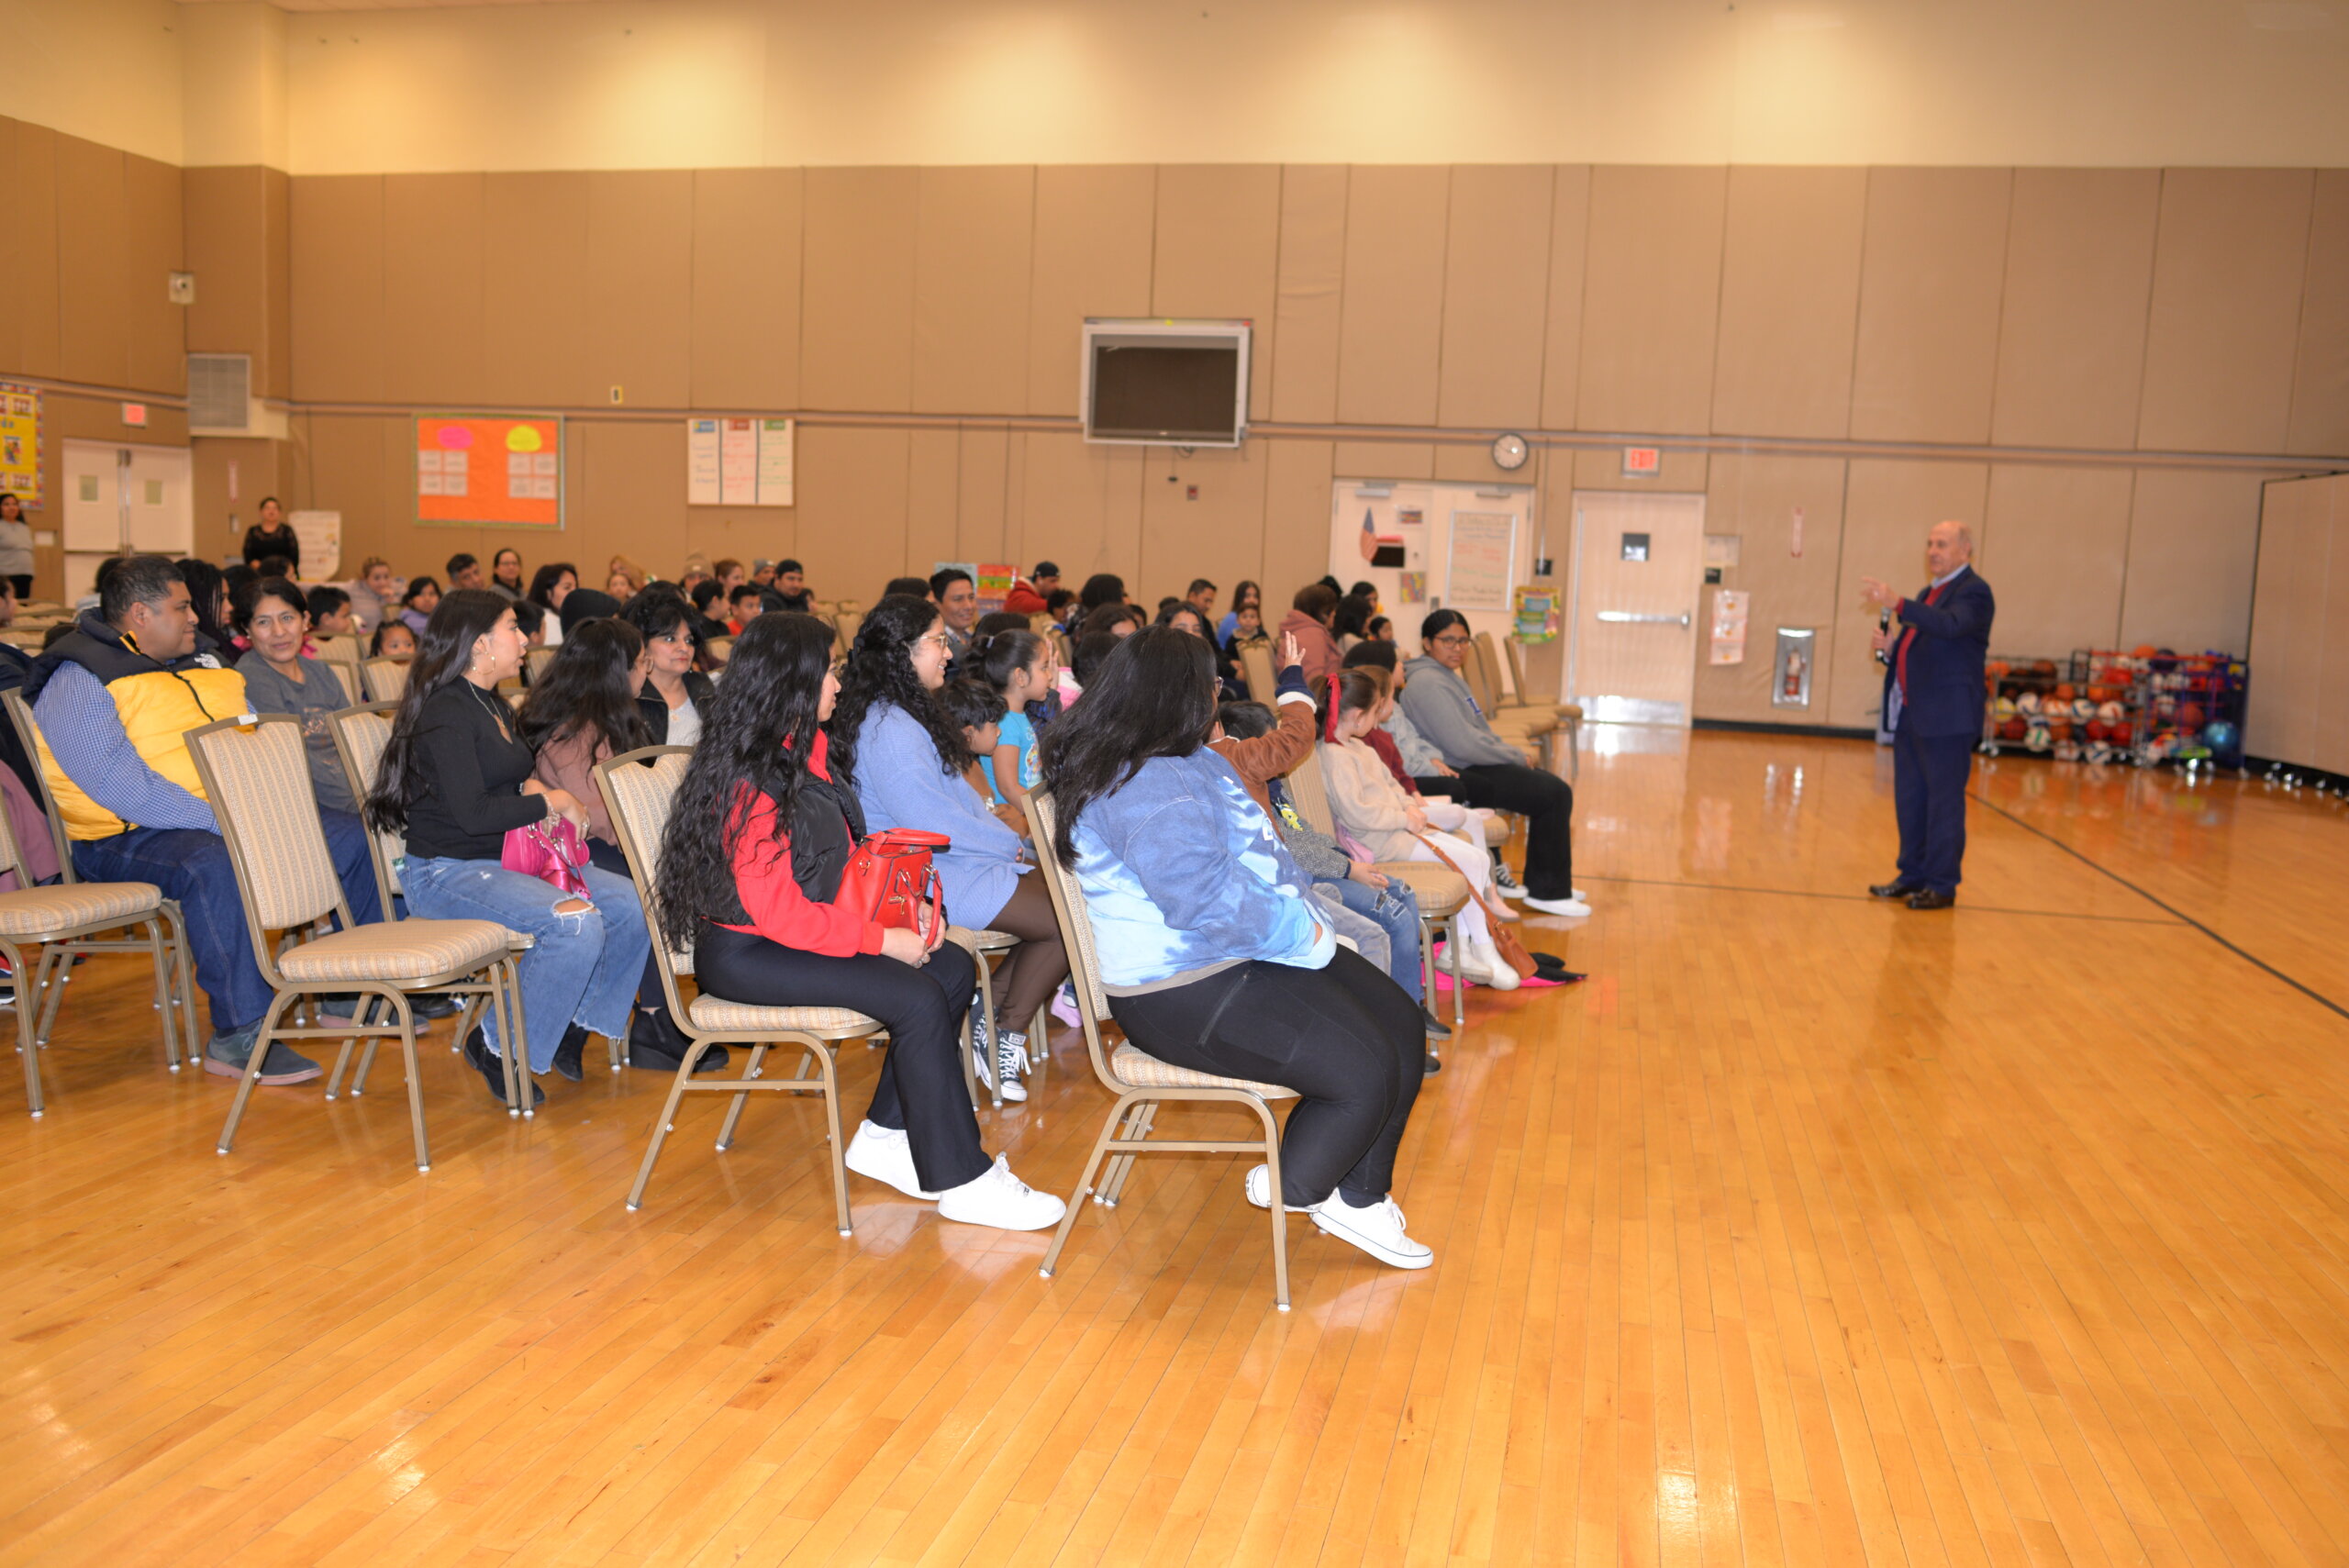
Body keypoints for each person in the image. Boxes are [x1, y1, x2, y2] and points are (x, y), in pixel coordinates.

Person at [651, 612, 1063, 1229]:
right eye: (828, 672)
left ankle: (885, 1133)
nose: (839, 686)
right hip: (747, 953)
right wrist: (878, 939)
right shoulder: (750, 777)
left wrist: (902, 909)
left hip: (792, 936)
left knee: (950, 966)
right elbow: (779, 911)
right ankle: (963, 1177)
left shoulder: (804, 750)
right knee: (918, 997)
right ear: (792, 682)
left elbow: (836, 866)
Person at [1040, 627, 1433, 1268]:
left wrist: (1302, 922)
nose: (1217, 696)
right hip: (1180, 990)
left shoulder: (1185, 759)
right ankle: (1299, 1180)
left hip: (1243, 952)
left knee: (1399, 1025)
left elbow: (1259, 860)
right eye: (1212, 685)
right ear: (1181, 695)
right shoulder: (1140, 783)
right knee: (1362, 1071)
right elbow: (1205, 902)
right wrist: (1300, 933)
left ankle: (1358, 1198)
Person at [28, 555, 384, 1083]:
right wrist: (230, 821)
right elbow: (121, 789)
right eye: (182, 606)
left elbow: (252, 742)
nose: (196, 617)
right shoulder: (80, 679)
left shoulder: (203, 663)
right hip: (124, 835)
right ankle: (239, 1033)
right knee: (213, 865)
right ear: (139, 615)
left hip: (224, 819)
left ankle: (354, 988)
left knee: (347, 834)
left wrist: (272, 809)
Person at [366, 589, 651, 1102]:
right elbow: (472, 814)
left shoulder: (489, 701)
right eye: (513, 629)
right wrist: (552, 800)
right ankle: (496, 1045)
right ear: (479, 644)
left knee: (631, 905)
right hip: (446, 872)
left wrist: (534, 789)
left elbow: (502, 784)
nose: (525, 640)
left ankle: (567, 1024)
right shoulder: (446, 710)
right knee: (575, 922)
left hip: (502, 862)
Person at [830, 594, 1068, 1104]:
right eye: (936, 642)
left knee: (1071, 900)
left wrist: (1009, 845)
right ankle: (1006, 1028)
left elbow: (957, 808)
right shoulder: (888, 727)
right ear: (902, 654)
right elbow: (931, 824)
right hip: (920, 874)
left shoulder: (905, 713)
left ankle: (994, 1017)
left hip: (949, 859)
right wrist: (1012, 845)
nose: (947, 653)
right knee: (1067, 915)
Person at [517, 616, 713, 1073]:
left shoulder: (617, 716)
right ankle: (649, 1019)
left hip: (601, 847)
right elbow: (593, 817)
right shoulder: (568, 729)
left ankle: (618, 1021)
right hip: (556, 853)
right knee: (642, 886)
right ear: (615, 671)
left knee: (664, 873)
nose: (644, 674)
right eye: (640, 663)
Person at [1214, 697, 1445, 1048]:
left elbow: (1306, 833)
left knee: (1402, 892)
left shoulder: (1276, 786)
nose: (1279, 750)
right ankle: (1398, 1027)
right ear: (1251, 746)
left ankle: (1410, 1007)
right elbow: (1294, 852)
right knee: (1392, 915)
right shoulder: (1247, 791)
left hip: (1331, 867)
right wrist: (1349, 868)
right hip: (1312, 877)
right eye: (1269, 739)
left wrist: (1344, 858)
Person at [1319, 668, 1520, 990]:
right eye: (1374, 713)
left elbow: (1391, 785)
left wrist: (1408, 806)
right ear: (1357, 717)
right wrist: (1403, 818)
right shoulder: (1334, 755)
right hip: (1382, 844)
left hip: (1398, 832)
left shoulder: (1360, 747)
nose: (1376, 720)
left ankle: (1463, 949)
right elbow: (1357, 814)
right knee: (1470, 862)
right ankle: (1481, 950)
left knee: (1478, 860)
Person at [1397, 610, 1586, 917]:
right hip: (1461, 769)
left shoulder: (1446, 676)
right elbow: (1462, 745)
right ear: (1427, 643)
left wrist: (1508, 751)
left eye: (1463, 641)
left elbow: (1479, 731)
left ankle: (1550, 884)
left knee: (1551, 791)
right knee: (1554, 793)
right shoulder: (1427, 683)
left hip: (1475, 761)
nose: (1457, 648)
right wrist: (1513, 755)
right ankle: (1549, 892)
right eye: (1448, 640)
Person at [1862, 519, 1995, 910]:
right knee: (1911, 798)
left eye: (1942, 544)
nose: (1933, 551)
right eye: (1930, 544)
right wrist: (1891, 649)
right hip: (1914, 711)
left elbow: (1950, 627)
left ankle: (1941, 884)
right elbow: (1917, 647)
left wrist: (1898, 603)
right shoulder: (1930, 593)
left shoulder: (1974, 592)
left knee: (1943, 802)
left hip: (1948, 718)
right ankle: (1913, 875)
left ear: (1964, 550)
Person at [235, 577, 358, 815]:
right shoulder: (252, 677)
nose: (279, 632)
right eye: (263, 622)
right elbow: (290, 759)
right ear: (246, 630)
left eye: (288, 618)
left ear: (305, 621)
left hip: (349, 792)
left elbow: (352, 736)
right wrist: (359, 802)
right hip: (305, 804)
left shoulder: (320, 671)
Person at [965, 628, 1053, 817]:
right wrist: (1045, 820)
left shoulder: (1017, 716)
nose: (1050, 676)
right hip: (1012, 820)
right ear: (1020, 676)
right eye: (1044, 668)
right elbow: (1008, 787)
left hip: (1025, 814)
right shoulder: (1004, 722)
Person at [621, 589, 715, 746]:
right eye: (671, 639)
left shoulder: (706, 687)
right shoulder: (631, 698)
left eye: (689, 640)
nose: (684, 648)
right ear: (643, 644)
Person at [1279, 583, 1344, 688]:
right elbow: (1313, 684)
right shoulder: (1311, 636)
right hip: (1311, 702)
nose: (1335, 613)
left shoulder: (1307, 631)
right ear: (1323, 612)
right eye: (1332, 608)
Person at [929, 567, 979, 660]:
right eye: (958, 599)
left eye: (971, 597)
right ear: (936, 604)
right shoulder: (936, 645)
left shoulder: (975, 638)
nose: (969, 606)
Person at [239, 496, 299, 573]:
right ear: (261, 511)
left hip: (282, 572)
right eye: (267, 508)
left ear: (279, 512)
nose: (271, 511)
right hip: (258, 572)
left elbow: (294, 555)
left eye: (275, 508)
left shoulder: (287, 530)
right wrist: (256, 564)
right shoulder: (253, 531)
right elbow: (247, 554)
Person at [527, 561, 576, 647]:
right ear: (548, 593)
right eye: (567, 587)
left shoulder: (560, 619)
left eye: (575, 587)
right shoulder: (548, 620)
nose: (575, 592)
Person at [348, 557, 400, 636]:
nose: (383, 583)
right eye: (377, 578)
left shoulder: (397, 591)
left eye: (386, 577)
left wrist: (390, 600)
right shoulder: (354, 588)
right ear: (365, 578)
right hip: (364, 638)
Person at [0, 491, 33, 599]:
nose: (12, 508)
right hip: (5, 576)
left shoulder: (24, 527)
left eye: (14, 504)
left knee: (23, 608)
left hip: (25, 574)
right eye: (6, 504)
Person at [1215, 579, 1262, 646]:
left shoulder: (1256, 619)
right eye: (1247, 596)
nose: (1252, 600)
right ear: (1239, 598)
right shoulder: (1232, 618)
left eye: (1255, 596)